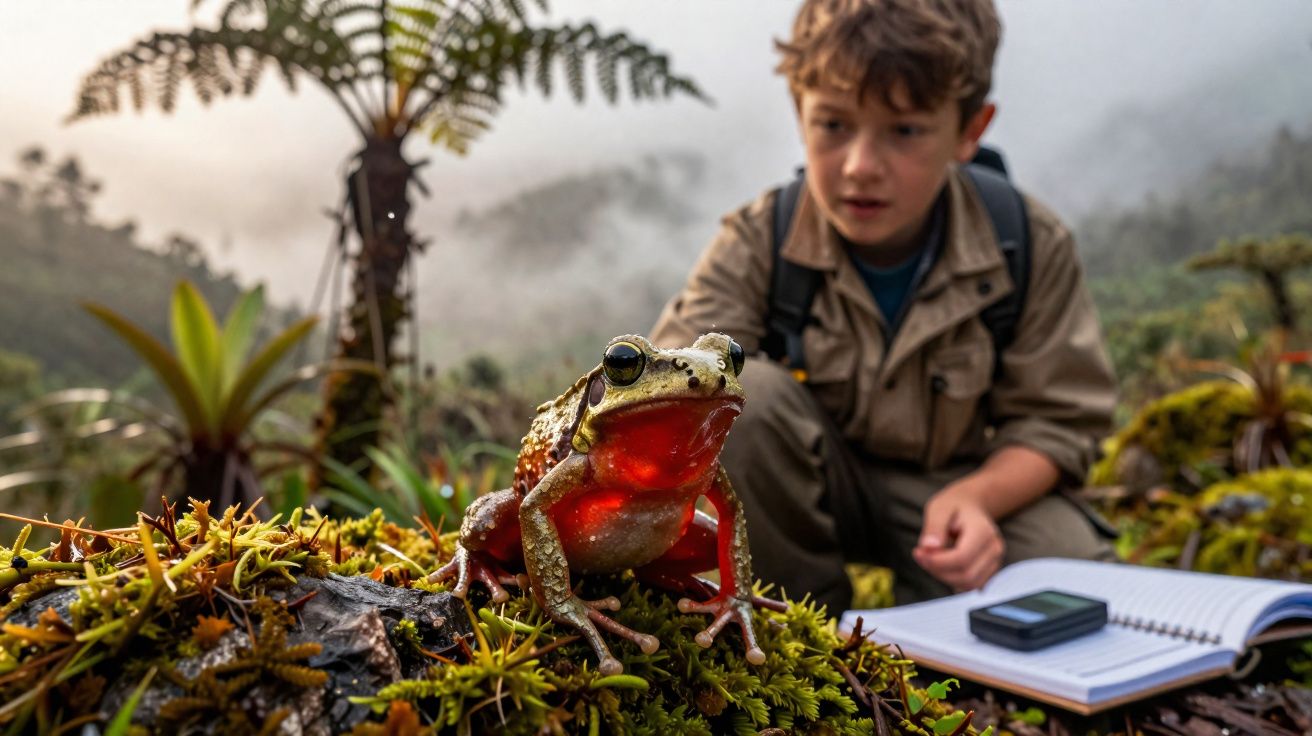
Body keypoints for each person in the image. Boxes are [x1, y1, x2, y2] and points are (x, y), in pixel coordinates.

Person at [650, 0, 1119, 612]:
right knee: (742, 403)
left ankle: (950, 635)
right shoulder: (759, 240)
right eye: (834, 125)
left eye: (905, 131)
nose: (860, 167)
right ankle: (804, 636)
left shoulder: (1027, 242)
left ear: (970, 130)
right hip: (805, 495)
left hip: (959, 491)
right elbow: (668, 390)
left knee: (1071, 572)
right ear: (799, 113)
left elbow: (1059, 423)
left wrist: (979, 499)